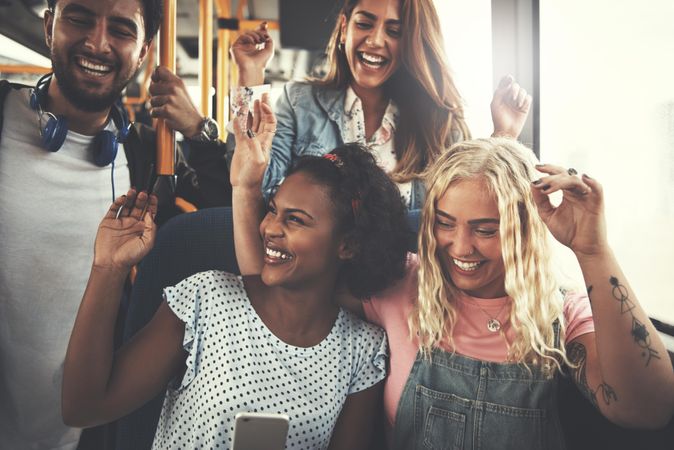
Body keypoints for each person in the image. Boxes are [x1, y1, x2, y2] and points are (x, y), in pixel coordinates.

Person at [61, 95, 412, 449]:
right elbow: (83, 407)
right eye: (273, 210)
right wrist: (108, 268)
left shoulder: (362, 351)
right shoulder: (206, 298)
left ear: (347, 245)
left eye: (295, 220)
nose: (270, 227)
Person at [0, 0, 229, 448]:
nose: (97, 43)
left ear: (143, 53)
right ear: (49, 27)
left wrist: (200, 130)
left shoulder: (149, 160)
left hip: (86, 429)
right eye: (80, 18)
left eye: (122, 30)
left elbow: (229, 222)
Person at [348, 138, 674, 448]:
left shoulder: (560, 313)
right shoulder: (400, 283)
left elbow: (646, 410)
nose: (460, 247)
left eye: (486, 230)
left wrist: (593, 252)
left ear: (525, 230)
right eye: (445, 223)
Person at [230, 0, 532, 209]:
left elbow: (465, 211)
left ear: (411, 43)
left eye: (394, 31)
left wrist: (504, 136)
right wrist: (250, 75)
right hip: (315, 288)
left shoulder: (439, 124)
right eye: (365, 23)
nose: (375, 40)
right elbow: (258, 186)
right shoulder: (299, 102)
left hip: (403, 291)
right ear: (345, 28)